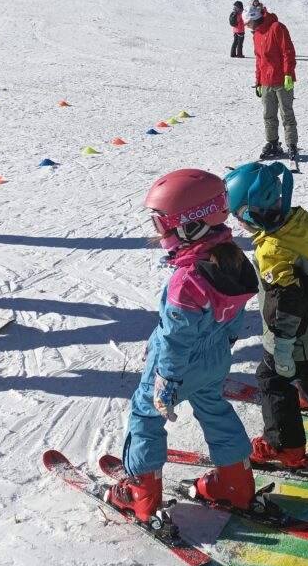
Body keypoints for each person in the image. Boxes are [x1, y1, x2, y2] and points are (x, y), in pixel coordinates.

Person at [108, 169, 260, 522]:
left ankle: (141, 495)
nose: (159, 233)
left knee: (145, 416)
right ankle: (236, 485)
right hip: (215, 359)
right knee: (214, 408)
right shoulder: (232, 257)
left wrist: (167, 379)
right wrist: (223, 346)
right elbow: (234, 317)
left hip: (177, 366)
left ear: (191, 225)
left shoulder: (186, 280)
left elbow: (176, 338)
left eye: (162, 225)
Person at [224, 161, 308, 469]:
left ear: (252, 214)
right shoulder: (299, 223)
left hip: (293, 332)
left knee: (271, 380)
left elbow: (284, 302)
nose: (239, 224)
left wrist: (281, 344)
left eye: (240, 217)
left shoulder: (273, 251)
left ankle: (286, 448)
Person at [244, 5, 298, 162]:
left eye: (248, 23)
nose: (247, 26)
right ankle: (273, 143)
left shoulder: (277, 28)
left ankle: (292, 145)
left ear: (255, 18)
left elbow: (288, 51)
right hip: (267, 82)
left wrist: (288, 73)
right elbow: (259, 60)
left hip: (282, 80)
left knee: (286, 114)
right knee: (268, 115)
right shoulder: (257, 35)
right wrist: (259, 81)